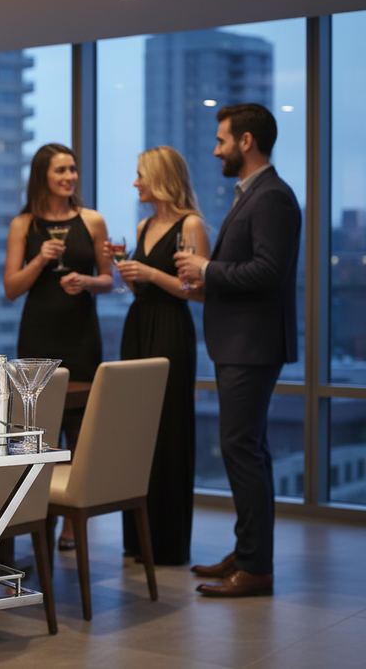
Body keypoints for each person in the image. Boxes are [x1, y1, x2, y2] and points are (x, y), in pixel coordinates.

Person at [176, 104, 301, 597]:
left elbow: (269, 271)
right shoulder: (254, 194)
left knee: (241, 449)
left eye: (222, 140)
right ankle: (248, 552)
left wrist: (206, 269)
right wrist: (207, 277)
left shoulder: (272, 197)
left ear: (246, 141)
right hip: (243, 342)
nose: (216, 150)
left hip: (252, 344)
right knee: (250, 450)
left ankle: (254, 567)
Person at [3, 143, 112, 549]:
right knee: (39, 426)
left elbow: (110, 279)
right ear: (42, 177)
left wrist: (86, 281)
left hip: (82, 334)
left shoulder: (92, 220)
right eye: (61, 170)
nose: (70, 177)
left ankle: (70, 520)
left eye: (72, 169)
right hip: (38, 334)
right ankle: (37, 514)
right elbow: (11, 287)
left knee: (79, 428)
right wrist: (40, 260)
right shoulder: (23, 225)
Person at [112, 146, 210, 566]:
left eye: (141, 175)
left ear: (161, 178)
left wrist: (150, 273)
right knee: (135, 430)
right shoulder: (143, 224)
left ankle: (169, 545)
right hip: (138, 325)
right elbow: (143, 288)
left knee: (169, 430)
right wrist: (128, 273)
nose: (135, 183)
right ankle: (137, 539)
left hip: (171, 329)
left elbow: (199, 292)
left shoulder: (192, 224)